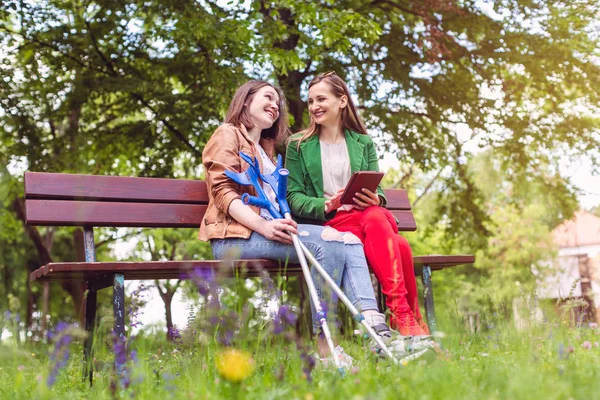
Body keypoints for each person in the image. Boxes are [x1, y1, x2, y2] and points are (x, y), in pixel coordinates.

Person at [198, 80, 404, 358]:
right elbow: (223, 191)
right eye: (267, 97)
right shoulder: (228, 134)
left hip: (271, 232)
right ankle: (325, 346)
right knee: (327, 243)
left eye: (278, 102)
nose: (275, 105)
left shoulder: (267, 149)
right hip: (237, 236)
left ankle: (376, 332)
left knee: (349, 239)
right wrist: (264, 226)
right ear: (246, 100)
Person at [285, 71, 430, 337]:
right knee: (399, 245)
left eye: (321, 99)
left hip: (367, 221)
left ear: (342, 101)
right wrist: (327, 203)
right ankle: (408, 319)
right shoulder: (297, 145)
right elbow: (293, 198)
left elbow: (379, 191)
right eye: (310, 101)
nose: (314, 106)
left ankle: (403, 317)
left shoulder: (363, 143)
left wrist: (376, 198)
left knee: (376, 215)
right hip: (332, 226)